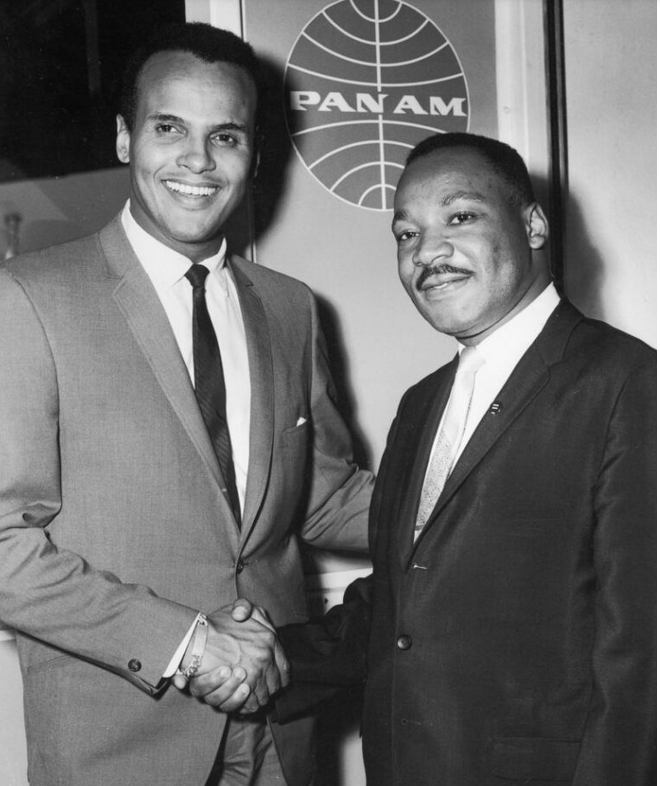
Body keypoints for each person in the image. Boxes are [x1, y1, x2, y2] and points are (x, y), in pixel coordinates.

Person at [0, 22, 372, 786]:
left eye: (225, 136)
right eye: (169, 128)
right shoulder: (31, 298)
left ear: (255, 156)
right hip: (118, 748)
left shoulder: (293, 309)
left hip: (279, 731)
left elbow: (324, 496)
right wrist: (189, 643)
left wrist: (476, 499)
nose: (198, 161)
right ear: (124, 138)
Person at [226, 132, 656, 785]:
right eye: (407, 234)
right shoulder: (420, 404)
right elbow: (399, 605)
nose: (427, 251)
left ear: (533, 226)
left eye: (460, 216)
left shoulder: (626, 382)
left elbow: (641, 652)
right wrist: (269, 659)